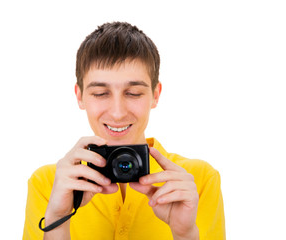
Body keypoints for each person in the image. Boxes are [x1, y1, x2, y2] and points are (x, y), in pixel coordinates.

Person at [23, 22, 225, 240]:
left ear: (155, 95)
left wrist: (185, 234)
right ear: (80, 96)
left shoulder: (197, 181)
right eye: (100, 93)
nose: (118, 113)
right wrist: (57, 220)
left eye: (134, 93)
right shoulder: (49, 184)